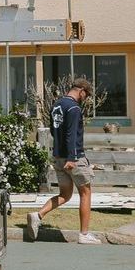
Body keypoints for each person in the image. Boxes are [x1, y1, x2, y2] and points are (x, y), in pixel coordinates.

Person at [27, 78, 101, 244]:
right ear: (81, 90)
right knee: (86, 192)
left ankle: (37, 215)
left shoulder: (57, 105)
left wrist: (62, 154)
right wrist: (72, 158)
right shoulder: (74, 108)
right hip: (72, 158)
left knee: (65, 195)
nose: (86, 98)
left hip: (58, 156)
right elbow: (72, 134)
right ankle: (84, 234)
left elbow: (55, 131)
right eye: (86, 95)